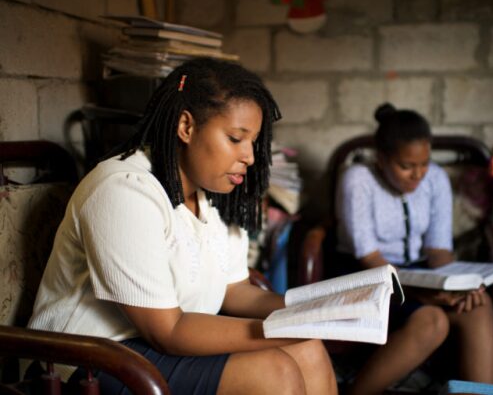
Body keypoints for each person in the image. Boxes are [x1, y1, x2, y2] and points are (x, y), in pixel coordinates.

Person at [25, 57, 337, 395]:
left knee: (308, 349)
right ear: (186, 127)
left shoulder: (211, 197)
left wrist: (317, 310)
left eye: (254, 142)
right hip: (88, 361)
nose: (250, 156)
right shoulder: (124, 189)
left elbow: (236, 292)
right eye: (236, 138)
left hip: (157, 347)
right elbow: (167, 331)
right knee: (273, 371)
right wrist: (282, 329)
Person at [335, 103, 493, 395]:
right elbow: (369, 256)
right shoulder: (357, 180)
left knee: (478, 305)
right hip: (365, 275)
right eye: (406, 166)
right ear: (382, 160)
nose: (418, 174)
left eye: (424, 163)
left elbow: (438, 250)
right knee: (432, 321)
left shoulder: (435, 178)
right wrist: (424, 293)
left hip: (418, 272)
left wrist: (460, 283)